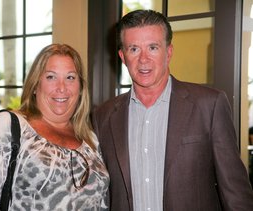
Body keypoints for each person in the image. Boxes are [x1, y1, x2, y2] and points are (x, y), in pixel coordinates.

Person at [91, 9, 253, 211]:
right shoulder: (103, 116)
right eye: (134, 49)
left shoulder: (209, 105)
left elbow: (236, 193)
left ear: (168, 52)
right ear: (123, 56)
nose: (143, 59)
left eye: (152, 47)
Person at [0, 43, 109, 210]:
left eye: (70, 77)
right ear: (35, 85)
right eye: (51, 77)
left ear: (80, 88)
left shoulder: (90, 139)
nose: (61, 88)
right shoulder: (7, 127)